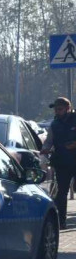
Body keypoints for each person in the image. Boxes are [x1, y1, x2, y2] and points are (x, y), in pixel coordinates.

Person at [41, 97, 76, 229]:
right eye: (55, 109)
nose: (57, 112)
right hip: (62, 162)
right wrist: (45, 150)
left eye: (59, 109)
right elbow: (49, 141)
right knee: (61, 193)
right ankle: (61, 221)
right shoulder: (54, 124)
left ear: (68, 108)